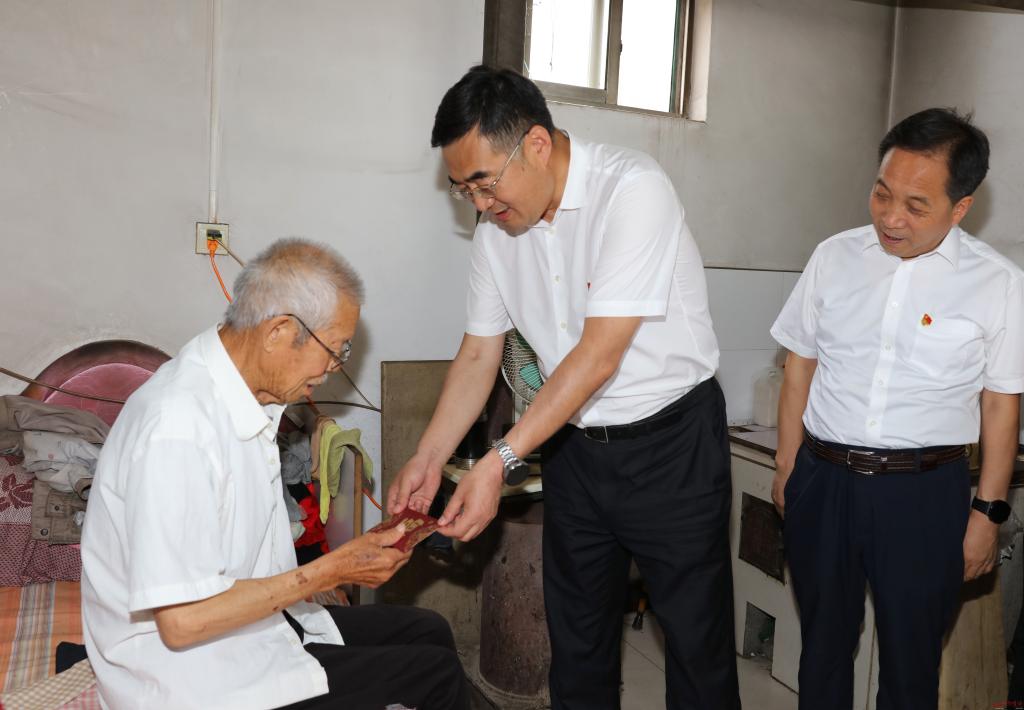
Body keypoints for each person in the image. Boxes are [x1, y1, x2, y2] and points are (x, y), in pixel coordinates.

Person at [388, 66, 740, 709]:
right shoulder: (495, 235)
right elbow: (479, 353)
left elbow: (598, 355)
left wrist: (500, 460)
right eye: (463, 189)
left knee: (697, 647)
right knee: (577, 645)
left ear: (537, 145)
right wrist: (429, 457)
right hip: (576, 447)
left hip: (672, 447)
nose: (479, 205)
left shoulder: (632, 190)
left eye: (484, 182)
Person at [81, 239, 469, 710]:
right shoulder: (177, 428)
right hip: (189, 678)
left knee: (428, 631)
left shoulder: (238, 391)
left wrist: (343, 563)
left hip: (246, 631)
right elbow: (182, 622)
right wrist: (331, 569)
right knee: (435, 673)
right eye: (336, 349)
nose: (332, 369)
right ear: (279, 331)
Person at [771, 108, 1024, 709]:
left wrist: (987, 514)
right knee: (822, 650)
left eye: (915, 205)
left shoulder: (998, 283)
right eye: (882, 193)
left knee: (911, 666)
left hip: (922, 495)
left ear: (960, 208)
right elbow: (799, 364)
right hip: (823, 481)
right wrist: (787, 467)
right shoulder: (834, 256)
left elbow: (1000, 405)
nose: (890, 217)